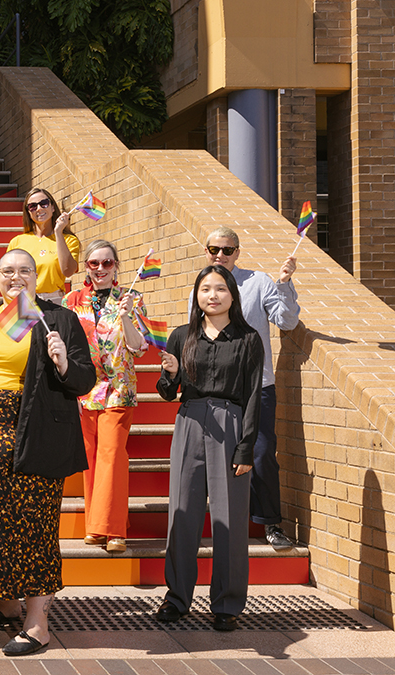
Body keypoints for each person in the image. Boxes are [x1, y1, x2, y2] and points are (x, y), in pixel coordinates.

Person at [0, 248, 95, 656]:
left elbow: (84, 379)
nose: (15, 277)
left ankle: (38, 623)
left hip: (29, 435)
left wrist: (63, 364)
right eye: (7, 271)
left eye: (24, 270)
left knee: (32, 525)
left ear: (37, 276)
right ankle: (6, 601)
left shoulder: (57, 318)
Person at [156, 264, 263, 632]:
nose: (212, 295)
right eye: (205, 289)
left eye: (220, 288)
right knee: (182, 512)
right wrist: (170, 375)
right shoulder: (182, 336)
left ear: (233, 294)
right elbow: (168, 393)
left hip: (231, 424)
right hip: (190, 420)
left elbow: (252, 396)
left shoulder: (248, 339)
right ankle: (177, 598)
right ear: (197, 295)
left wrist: (246, 447)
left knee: (230, 518)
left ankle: (227, 603)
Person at [203, 226, 300, 550]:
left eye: (226, 250)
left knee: (261, 454)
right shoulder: (203, 288)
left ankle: (271, 523)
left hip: (258, 386)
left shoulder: (258, 283)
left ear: (237, 253)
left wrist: (284, 284)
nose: (219, 255)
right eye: (213, 249)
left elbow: (286, 321)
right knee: (219, 456)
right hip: (216, 388)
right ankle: (223, 526)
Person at [63, 240, 147, 554]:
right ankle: (99, 526)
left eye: (107, 263)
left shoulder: (132, 297)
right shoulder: (72, 299)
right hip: (84, 390)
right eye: (94, 263)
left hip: (119, 389)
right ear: (86, 267)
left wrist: (126, 316)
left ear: (116, 267)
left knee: (112, 457)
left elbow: (139, 347)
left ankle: (110, 530)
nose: (100, 269)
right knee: (92, 461)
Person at [7, 189, 80, 302]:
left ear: (52, 207)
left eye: (44, 203)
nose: (39, 209)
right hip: (23, 299)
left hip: (53, 301)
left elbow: (68, 271)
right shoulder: (17, 242)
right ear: (28, 212)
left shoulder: (69, 240)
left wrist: (58, 233)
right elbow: (7, 277)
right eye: (33, 206)